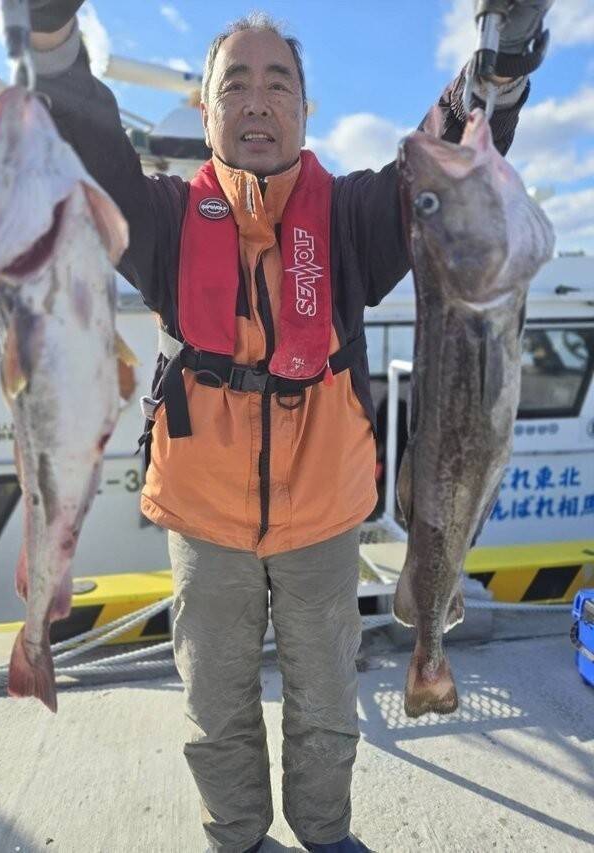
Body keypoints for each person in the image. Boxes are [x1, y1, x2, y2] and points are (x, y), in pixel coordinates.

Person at [28, 2, 552, 850]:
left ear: (307, 111)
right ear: (207, 111)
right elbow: (89, 147)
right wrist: (53, 40)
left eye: (280, 84)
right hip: (204, 522)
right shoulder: (158, 218)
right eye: (236, 83)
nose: (259, 100)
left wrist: (497, 71)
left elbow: (447, 164)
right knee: (215, 710)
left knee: (325, 705)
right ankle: (235, 835)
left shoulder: (351, 216)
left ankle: (324, 833)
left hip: (324, 519)